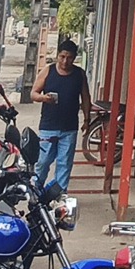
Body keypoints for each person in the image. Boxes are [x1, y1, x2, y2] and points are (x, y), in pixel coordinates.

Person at [33, 37, 88, 193]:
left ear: (74, 58)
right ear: (58, 55)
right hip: (48, 126)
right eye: (62, 56)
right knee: (43, 162)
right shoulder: (48, 71)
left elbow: (85, 98)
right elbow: (33, 93)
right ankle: (36, 191)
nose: (65, 61)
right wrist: (44, 98)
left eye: (69, 58)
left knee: (64, 163)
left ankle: (58, 194)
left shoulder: (79, 74)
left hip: (69, 128)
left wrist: (87, 119)